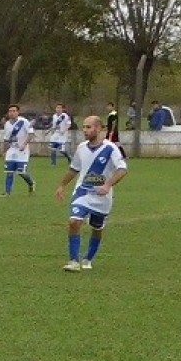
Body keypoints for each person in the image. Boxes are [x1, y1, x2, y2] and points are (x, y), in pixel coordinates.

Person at [55, 115, 128, 272]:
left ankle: (88, 258)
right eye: (84, 127)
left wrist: (108, 185)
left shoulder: (110, 148)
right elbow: (74, 169)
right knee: (74, 222)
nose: (85, 130)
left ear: (99, 128)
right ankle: (74, 261)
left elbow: (122, 169)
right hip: (82, 193)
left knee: (97, 228)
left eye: (89, 127)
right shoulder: (81, 147)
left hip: (102, 197)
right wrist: (62, 185)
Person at [0, 104, 36, 196]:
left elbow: (31, 134)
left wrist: (24, 144)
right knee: (9, 172)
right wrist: (4, 151)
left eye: (14, 111)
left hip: (22, 151)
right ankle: (7, 193)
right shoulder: (7, 124)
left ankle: (31, 183)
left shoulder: (23, 122)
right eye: (10, 111)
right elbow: (6, 139)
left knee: (21, 172)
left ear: (18, 112)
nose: (12, 113)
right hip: (11, 150)